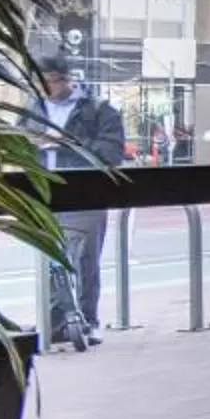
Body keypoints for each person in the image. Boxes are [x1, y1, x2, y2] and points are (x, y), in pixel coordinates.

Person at [31, 57, 127, 338]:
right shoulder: (32, 108)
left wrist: (64, 143)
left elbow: (111, 153)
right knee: (48, 259)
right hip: (44, 193)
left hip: (83, 194)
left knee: (84, 260)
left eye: (48, 81)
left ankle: (87, 320)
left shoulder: (98, 110)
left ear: (64, 79)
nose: (44, 87)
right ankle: (56, 323)